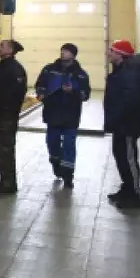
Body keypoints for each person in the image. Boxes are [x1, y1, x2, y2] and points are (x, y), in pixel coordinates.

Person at [35, 43, 91, 189]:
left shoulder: (81, 75)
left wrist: (73, 91)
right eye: (62, 51)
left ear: (73, 55)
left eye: (66, 51)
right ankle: (56, 162)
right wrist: (41, 93)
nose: (63, 53)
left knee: (69, 145)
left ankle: (68, 176)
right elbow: (40, 84)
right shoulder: (49, 70)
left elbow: (85, 95)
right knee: (52, 142)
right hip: (52, 112)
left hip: (71, 115)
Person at [103, 39, 140, 209]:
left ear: (120, 54)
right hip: (119, 123)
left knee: (129, 159)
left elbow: (132, 101)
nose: (109, 53)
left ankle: (134, 195)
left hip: (127, 124)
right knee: (120, 156)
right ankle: (126, 188)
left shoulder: (131, 74)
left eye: (112, 51)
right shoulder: (121, 70)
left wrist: (117, 117)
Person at [0, 39, 28, 195]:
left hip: (7, 115)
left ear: (10, 50)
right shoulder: (0, 67)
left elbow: (18, 92)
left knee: (6, 149)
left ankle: (9, 184)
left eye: (2, 46)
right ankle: (4, 180)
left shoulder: (15, 69)